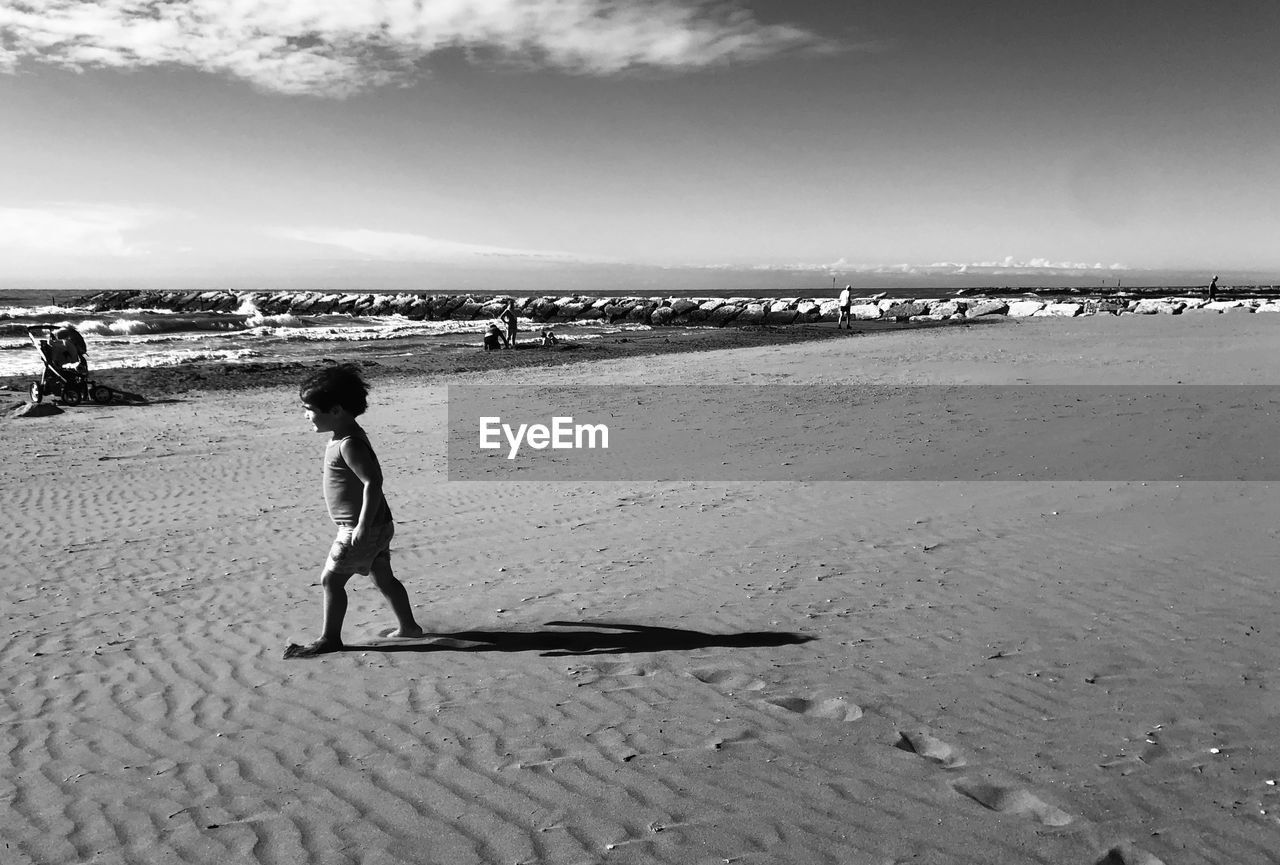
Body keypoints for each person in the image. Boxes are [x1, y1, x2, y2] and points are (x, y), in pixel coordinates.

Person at [285, 364, 423, 658]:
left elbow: (373, 481)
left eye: (308, 408)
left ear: (335, 410)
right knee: (382, 576)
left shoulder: (349, 444)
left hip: (361, 527)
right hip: (376, 524)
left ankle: (330, 638)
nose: (305, 414)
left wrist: (361, 525)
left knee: (331, 580)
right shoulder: (344, 435)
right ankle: (408, 626)